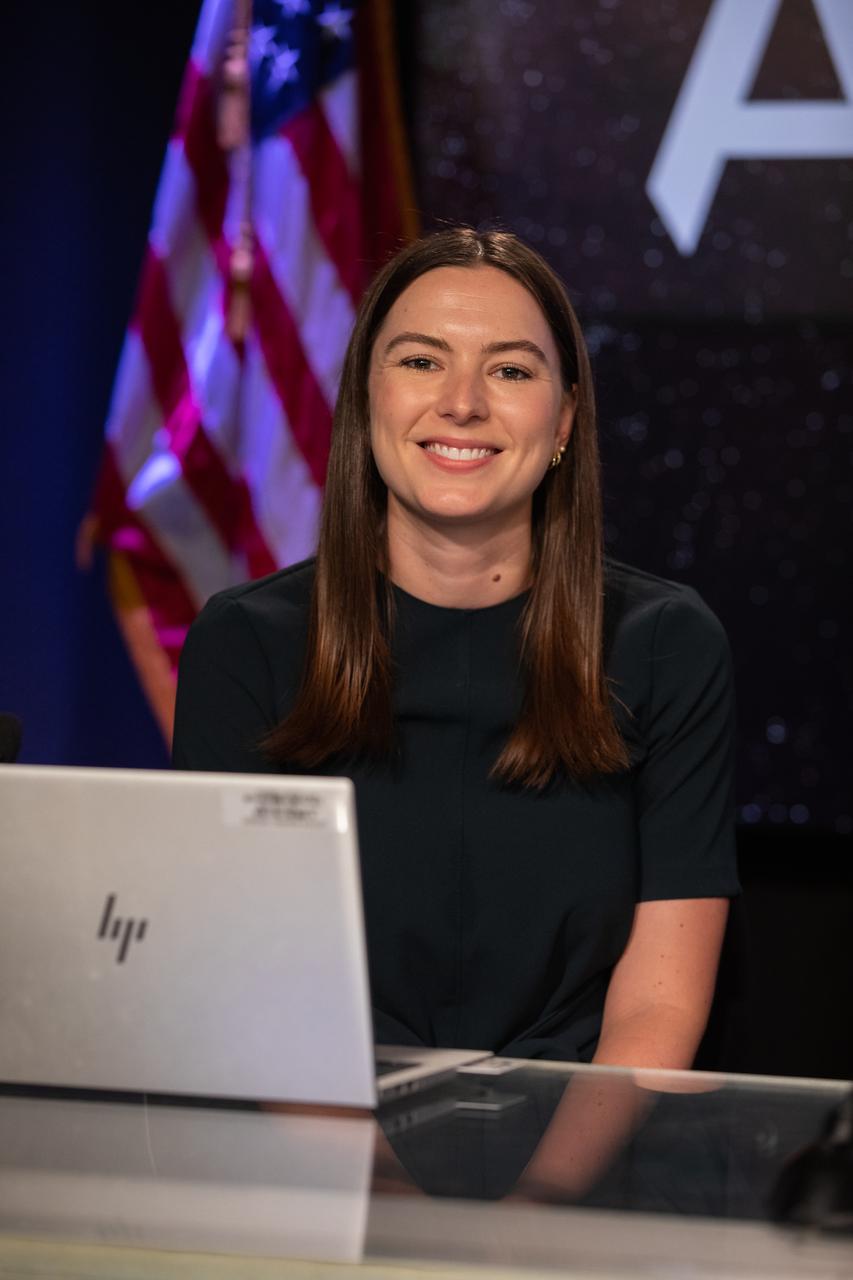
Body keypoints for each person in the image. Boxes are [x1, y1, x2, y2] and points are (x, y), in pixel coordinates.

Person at [173, 227, 738, 1069]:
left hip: (578, 1158)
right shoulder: (247, 642)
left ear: (564, 419)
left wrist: (539, 1201)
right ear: (366, 401)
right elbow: (239, 985)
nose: (462, 402)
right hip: (323, 1155)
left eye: (510, 370)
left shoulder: (664, 644)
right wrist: (378, 1195)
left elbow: (656, 1008)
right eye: (420, 361)